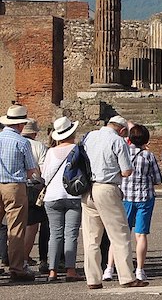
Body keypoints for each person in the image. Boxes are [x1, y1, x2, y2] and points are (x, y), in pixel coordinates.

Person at [81, 115, 148, 289]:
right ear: (122, 130)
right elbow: (126, 171)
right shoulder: (118, 141)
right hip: (107, 188)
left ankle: (93, 279)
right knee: (120, 234)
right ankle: (126, 277)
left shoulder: (90, 136)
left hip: (87, 188)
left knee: (91, 237)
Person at [105, 124, 161, 282]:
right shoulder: (148, 156)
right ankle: (139, 269)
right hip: (144, 197)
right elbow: (158, 179)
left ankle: (109, 268)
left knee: (119, 234)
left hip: (125, 197)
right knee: (141, 234)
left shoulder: (124, 152)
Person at [0, 104, 39, 283]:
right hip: (14, 186)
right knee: (15, 228)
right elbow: (31, 170)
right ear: (21, 124)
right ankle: (16, 268)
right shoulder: (22, 141)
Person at [42, 116, 84, 282]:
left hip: (52, 196)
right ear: (72, 133)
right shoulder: (77, 149)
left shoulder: (50, 152)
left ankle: (52, 270)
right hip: (72, 194)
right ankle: (70, 269)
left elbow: (45, 176)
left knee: (55, 234)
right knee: (71, 234)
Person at [21, 118, 49, 275]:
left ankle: (13, 257)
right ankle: (24, 259)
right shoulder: (39, 146)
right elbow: (43, 172)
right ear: (34, 133)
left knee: (14, 225)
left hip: (13, 184)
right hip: (33, 187)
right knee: (32, 226)